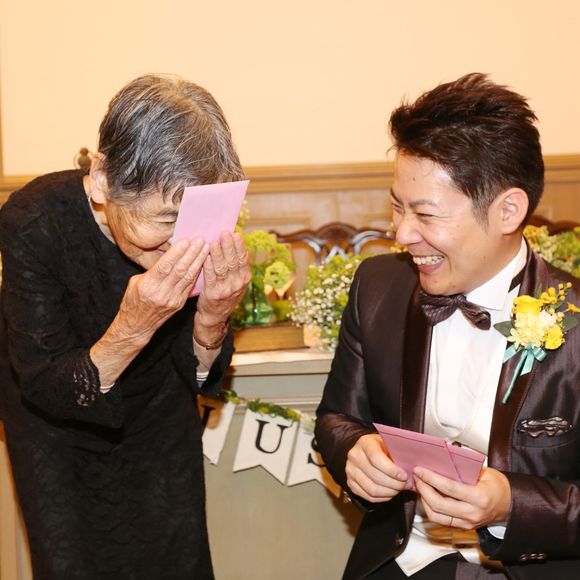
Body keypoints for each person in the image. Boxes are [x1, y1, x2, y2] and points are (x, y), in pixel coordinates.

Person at [315, 73, 580, 580]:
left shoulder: (576, 319)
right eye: (397, 207)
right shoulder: (378, 287)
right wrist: (354, 451)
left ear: (508, 211)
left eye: (425, 214)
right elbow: (336, 417)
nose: (402, 233)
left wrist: (512, 505)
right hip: (402, 558)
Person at [0, 74, 250, 579]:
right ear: (102, 180)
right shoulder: (33, 222)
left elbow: (198, 376)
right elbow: (44, 386)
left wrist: (212, 317)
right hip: (57, 438)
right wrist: (133, 327)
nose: (182, 242)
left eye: (194, 219)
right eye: (166, 219)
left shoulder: (193, 231)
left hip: (161, 424)